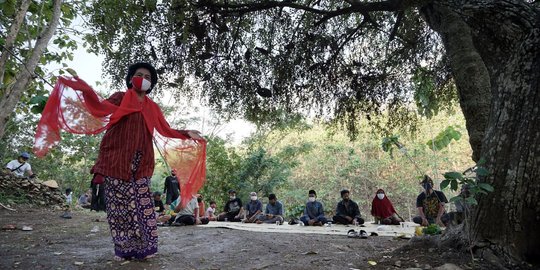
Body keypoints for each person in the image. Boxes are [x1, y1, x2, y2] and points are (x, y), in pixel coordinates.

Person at [34, 62, 206, 261]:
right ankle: (124, 250)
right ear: (131, 78)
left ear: (152, 84)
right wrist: (83, 88)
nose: (144, 79)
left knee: (143, 206)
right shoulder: (120, 97)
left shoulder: (153, 107)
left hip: (141, 163)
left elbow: (165, 130)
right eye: (139, 74)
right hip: (116, 160)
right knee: (118, 208)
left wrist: (186, 134)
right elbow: (99, 107)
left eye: (148, 77)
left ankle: (145, 248)